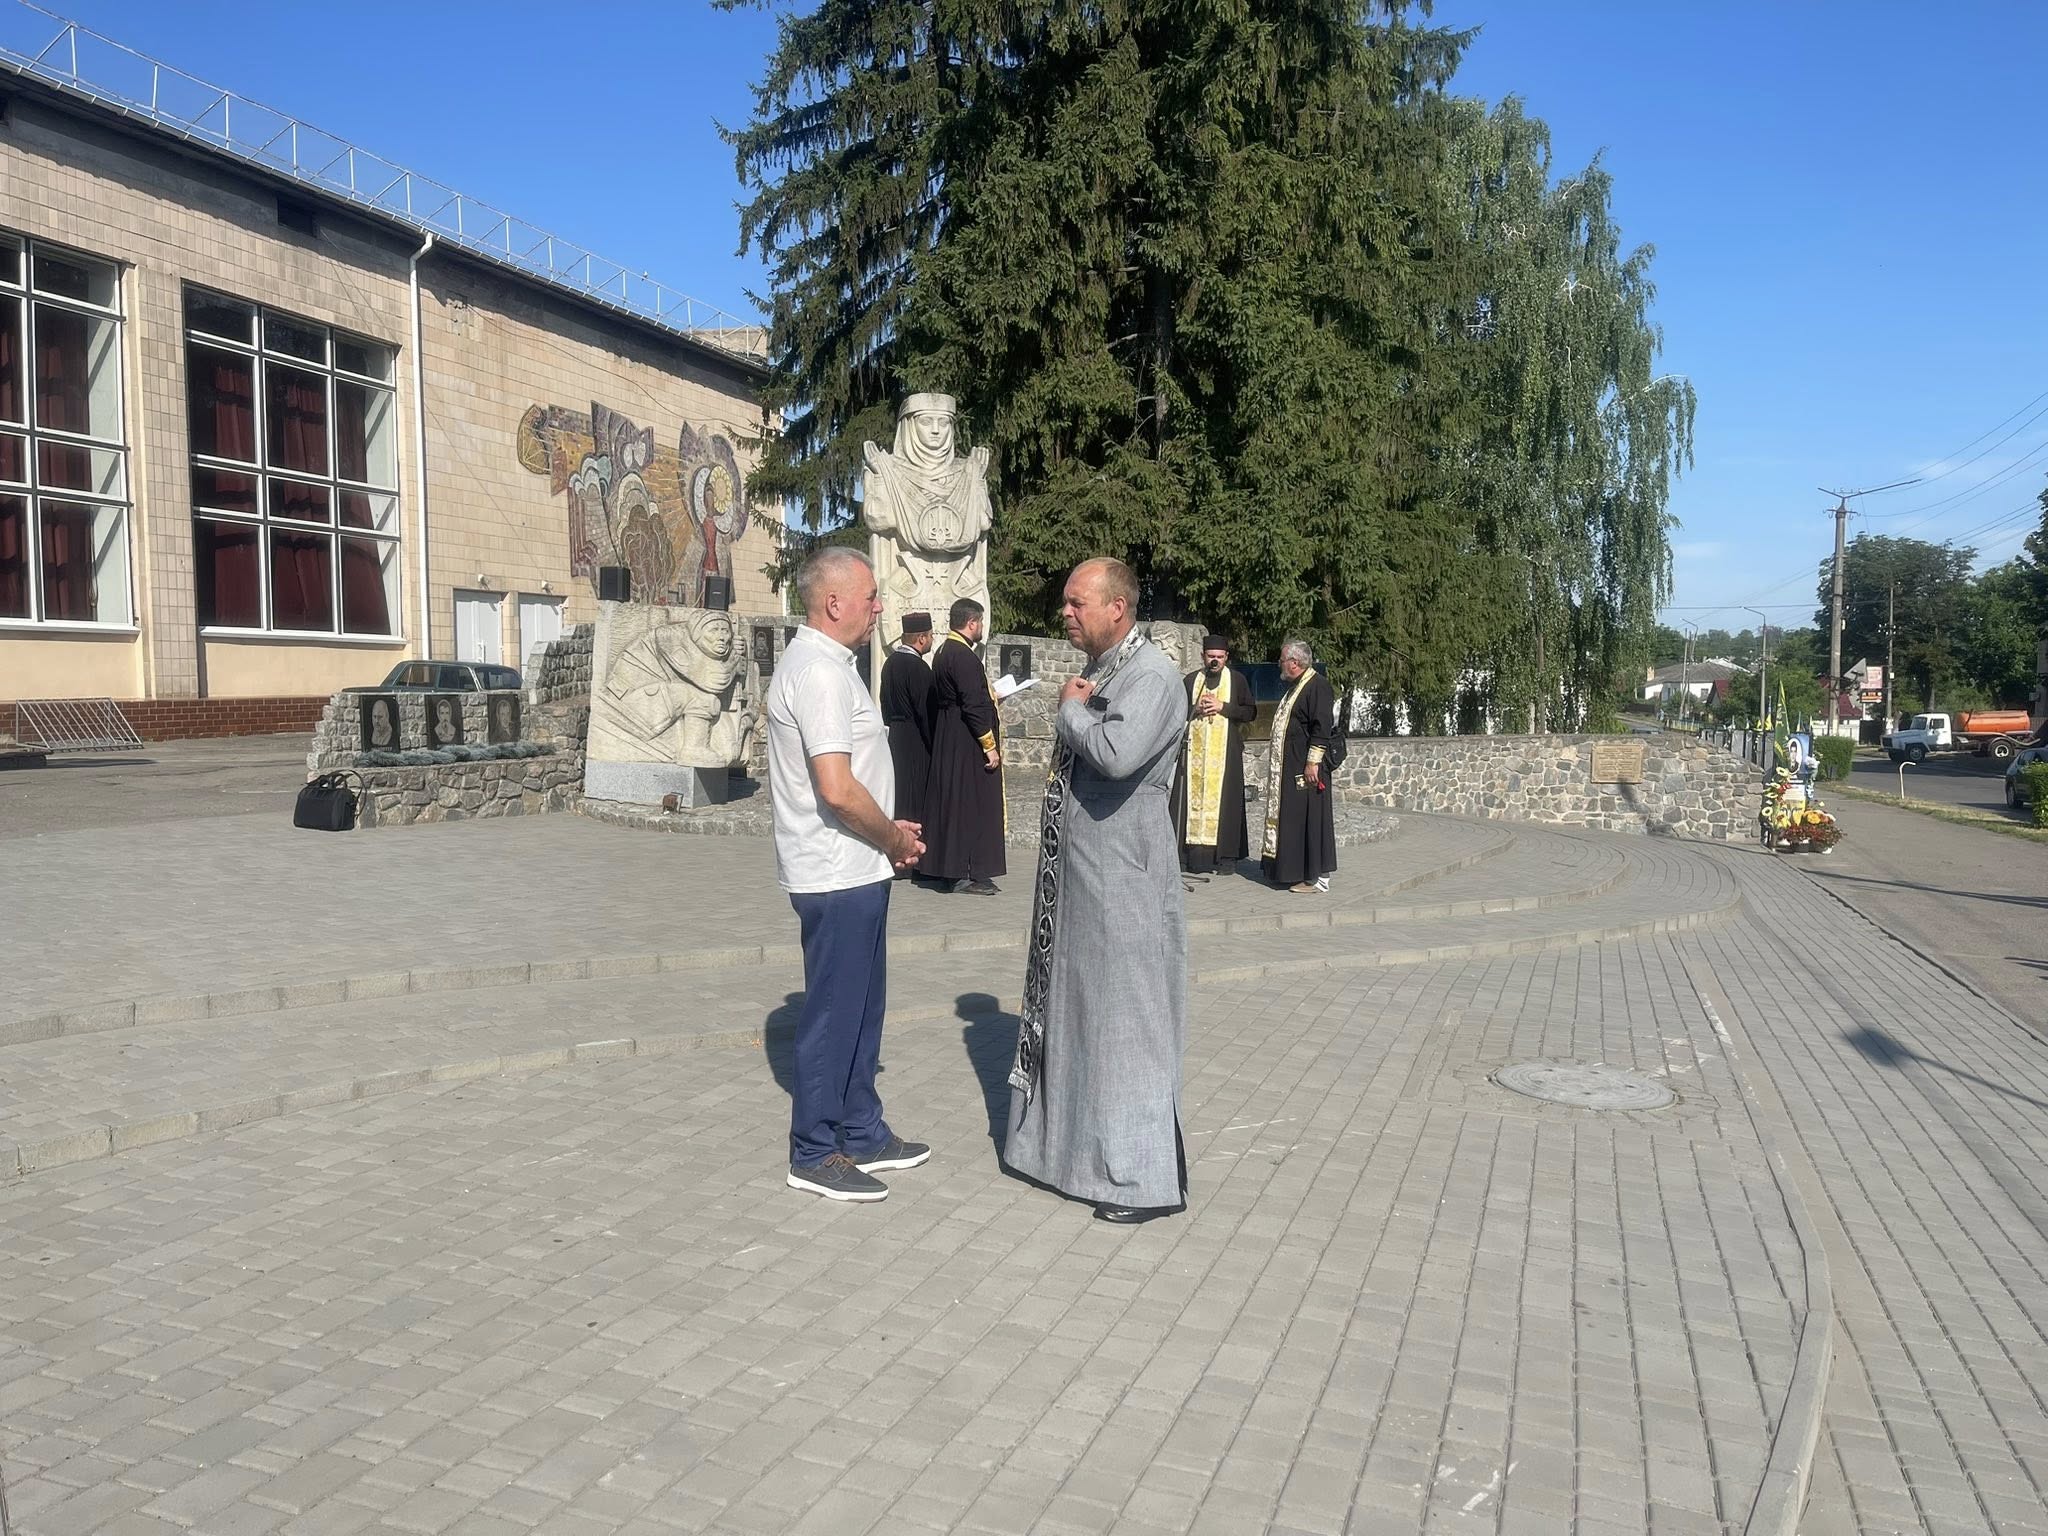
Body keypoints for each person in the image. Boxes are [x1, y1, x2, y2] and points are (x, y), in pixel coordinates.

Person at [1004, 558, 1189, 1225]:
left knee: (1127, 1023)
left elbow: (1116, 754)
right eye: (1066, 602)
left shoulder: (1153, 675)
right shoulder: (1108, 669)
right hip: (1083, 875)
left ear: (1118, 607)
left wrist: (1069, 712)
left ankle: (1140, 1179)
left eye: (1077, 602)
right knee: (1082, 1014)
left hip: (1124, 877)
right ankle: (1068, 1155)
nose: (1066, 612)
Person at [764, 547, 931, 1202]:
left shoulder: (832, 665)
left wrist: (886, 834)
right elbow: (836, 788)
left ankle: (861, 1129)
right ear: (834, 603)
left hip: (856, 865)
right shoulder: (820, 673)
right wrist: (893, 838)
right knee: (835, 1014)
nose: (880, 606)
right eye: (870, 595)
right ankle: (814, 1151)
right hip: (836, 872)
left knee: (862, 1008)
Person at [919, 597, 1006, 895]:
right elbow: (972, 704)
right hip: (966, 740)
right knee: (968, 804)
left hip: (949, 734)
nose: (981, 627)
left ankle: (945, 866)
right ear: (971, 623)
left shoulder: (944, 651)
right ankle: (966, 871)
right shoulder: (965, 657)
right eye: (980, 622)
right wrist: (989, 744)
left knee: (951, 802)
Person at [1172, 635, 1256, 875]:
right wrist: (1195, 708)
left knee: (1226, 804)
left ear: (1226, 657)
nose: (1215, 661)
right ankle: (1188, 859)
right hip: (1193, 757)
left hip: (1225, 756)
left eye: (1220, 657)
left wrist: (1223, 707)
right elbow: (1176, 712)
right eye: (1211, 657)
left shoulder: (1237, 680)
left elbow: (1250, 712)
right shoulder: (1191, 681)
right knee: (1189, 802)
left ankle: (1225, 859)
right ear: (1203, 656)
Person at [1261, 639, 1338, 893]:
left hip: (1308, 769)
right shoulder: (1297, 686)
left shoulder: (1318, 686)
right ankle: (1288, 871)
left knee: (1312, 820)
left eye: (1282, 660)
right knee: (1293, 820)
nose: (1280, 664)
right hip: (1291, 765)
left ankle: (1317, 878)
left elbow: (1321, 726)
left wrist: (1313, 762)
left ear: (1294, 663)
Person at [879, 612, 937, 829]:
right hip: (916, 739)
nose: (932, 640)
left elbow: (884, 703)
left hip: (895, 737)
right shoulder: (919, 668)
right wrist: (934, 746)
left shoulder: (890, 663)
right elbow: (926, 712)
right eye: (930, 636)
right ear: (921, 638)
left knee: (899, 793)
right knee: (915, 797)